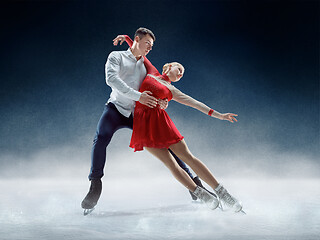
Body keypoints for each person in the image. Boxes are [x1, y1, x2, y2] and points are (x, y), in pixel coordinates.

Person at [81, 27, 212, 214]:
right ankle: (95, 185)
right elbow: (111, 79)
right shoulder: (116, 57)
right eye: (147, 44)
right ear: (137, 40)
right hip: (115, 108)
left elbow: (160, 85)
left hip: (139, 115)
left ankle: (195, 186)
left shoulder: (146, 65)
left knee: (168, 146)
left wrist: (163, 101)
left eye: (152, 46)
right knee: (100, 137)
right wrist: (138, 96)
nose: (150, 48)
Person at [113, 34, 243, 212]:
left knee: (188, 158)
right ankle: (200, 194)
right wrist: (127, 37)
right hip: (143, 126)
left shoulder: (172, 90)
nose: (181, 72)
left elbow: (194, 103)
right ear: (168, 67)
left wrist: (219, 115)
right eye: (179, 68)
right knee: (171, 165)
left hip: (161, 124)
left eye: (183, 73)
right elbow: (139, 50)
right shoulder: (151, 72)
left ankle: (223, 193)